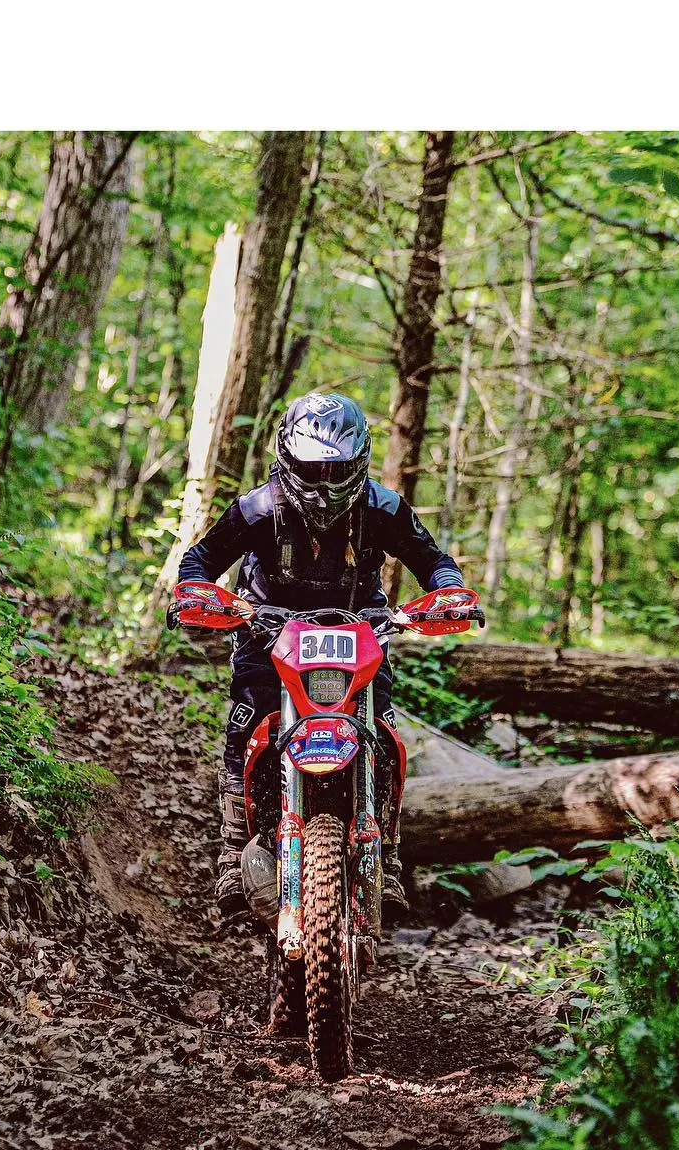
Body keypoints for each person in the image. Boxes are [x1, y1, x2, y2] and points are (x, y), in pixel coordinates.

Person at [172, 390, 465, 920]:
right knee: (244, 730)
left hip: (361, 633)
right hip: (268, 632)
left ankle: (389, 860)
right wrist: (206, 597)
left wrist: (449, 593)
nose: (326, 485)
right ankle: (229, 853)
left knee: (382, 733)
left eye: (339, 470)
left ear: (361, 462)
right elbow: (200, 559)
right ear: (287, 457)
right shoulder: (258, 508)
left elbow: (434, 560)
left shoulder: (384, 508)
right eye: (313, 469)